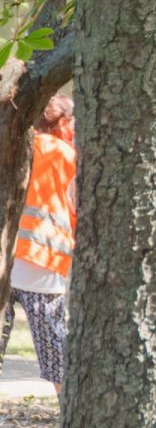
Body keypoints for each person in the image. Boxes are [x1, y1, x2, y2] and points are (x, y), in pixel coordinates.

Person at [0, 93, 76, 395]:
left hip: (7, 257)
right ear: (64, 122)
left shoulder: (13, 144)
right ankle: (69, 408)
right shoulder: (67, 154)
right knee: (54, 343)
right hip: (43, 259)